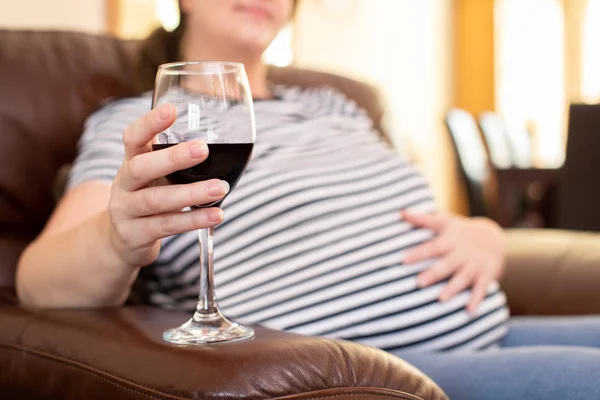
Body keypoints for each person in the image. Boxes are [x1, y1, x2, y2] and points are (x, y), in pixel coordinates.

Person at [15, 1, 600, 399]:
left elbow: (407, 213)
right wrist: (118, 237)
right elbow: (42, 283)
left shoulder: (338, 106)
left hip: (485, 329)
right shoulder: (143, 120)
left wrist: (486, 234)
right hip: (381, 364)